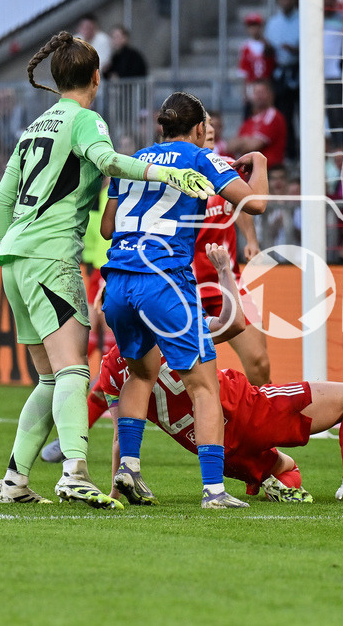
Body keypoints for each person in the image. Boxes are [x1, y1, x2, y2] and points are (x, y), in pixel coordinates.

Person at [0, 31, 213, 508]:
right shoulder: (86, 119)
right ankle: (74, 471)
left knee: (50, 378)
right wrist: (165, 173)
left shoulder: (34, 128)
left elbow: (0, 200)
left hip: (14, 258)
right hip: (50, 256)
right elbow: (107, 162)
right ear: (96, 77)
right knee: (73, 367)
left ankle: (14, 480)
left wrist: (15, 242)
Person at [95, 243, 343, 504]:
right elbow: (235, 323)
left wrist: (114, 493)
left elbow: (121, 435)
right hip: (249, 410)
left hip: (222, 453)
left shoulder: (111, 369)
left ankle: (271, 482)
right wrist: (225, 270)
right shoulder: (175, 325)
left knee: (284, 469)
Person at [99, 91, 267, 509]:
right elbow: (257, 203)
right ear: (197, 130)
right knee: (204, 387)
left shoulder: (132, 161)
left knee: (140, 374)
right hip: (164, 281)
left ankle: (130, 469)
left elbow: (106, 228)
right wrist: (259, 164)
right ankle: (214, 491)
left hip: (118, 280)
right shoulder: (200, 158)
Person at [194, 113, 271, 385]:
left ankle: (265, 424)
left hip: (227, 282)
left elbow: (242, 206)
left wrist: (251, 239)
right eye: (204, 124)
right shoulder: (174, 174)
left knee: (259, 362)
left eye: (214, 123)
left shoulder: (226, 166)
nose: (212, 129)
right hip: (184, 286)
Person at [263, 0, 299, 157]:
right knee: (285, 113)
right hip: (281, 71)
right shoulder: (273, 23)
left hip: (300, 69)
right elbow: (269, 50)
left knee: (305, 113)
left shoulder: (303, 19)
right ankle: (290, 152)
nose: (287, 0)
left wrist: (296, 50)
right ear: (279, 0)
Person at [229, 80, 288, 169]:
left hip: (269, 172)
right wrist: (246, 141)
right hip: (252, 174)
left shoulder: (273, 116)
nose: (259, 96)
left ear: (271, 95)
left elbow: (253, 146)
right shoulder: (249, 121)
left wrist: (243, 141)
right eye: (256, 93)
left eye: (262, 92)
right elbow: (230, 146)